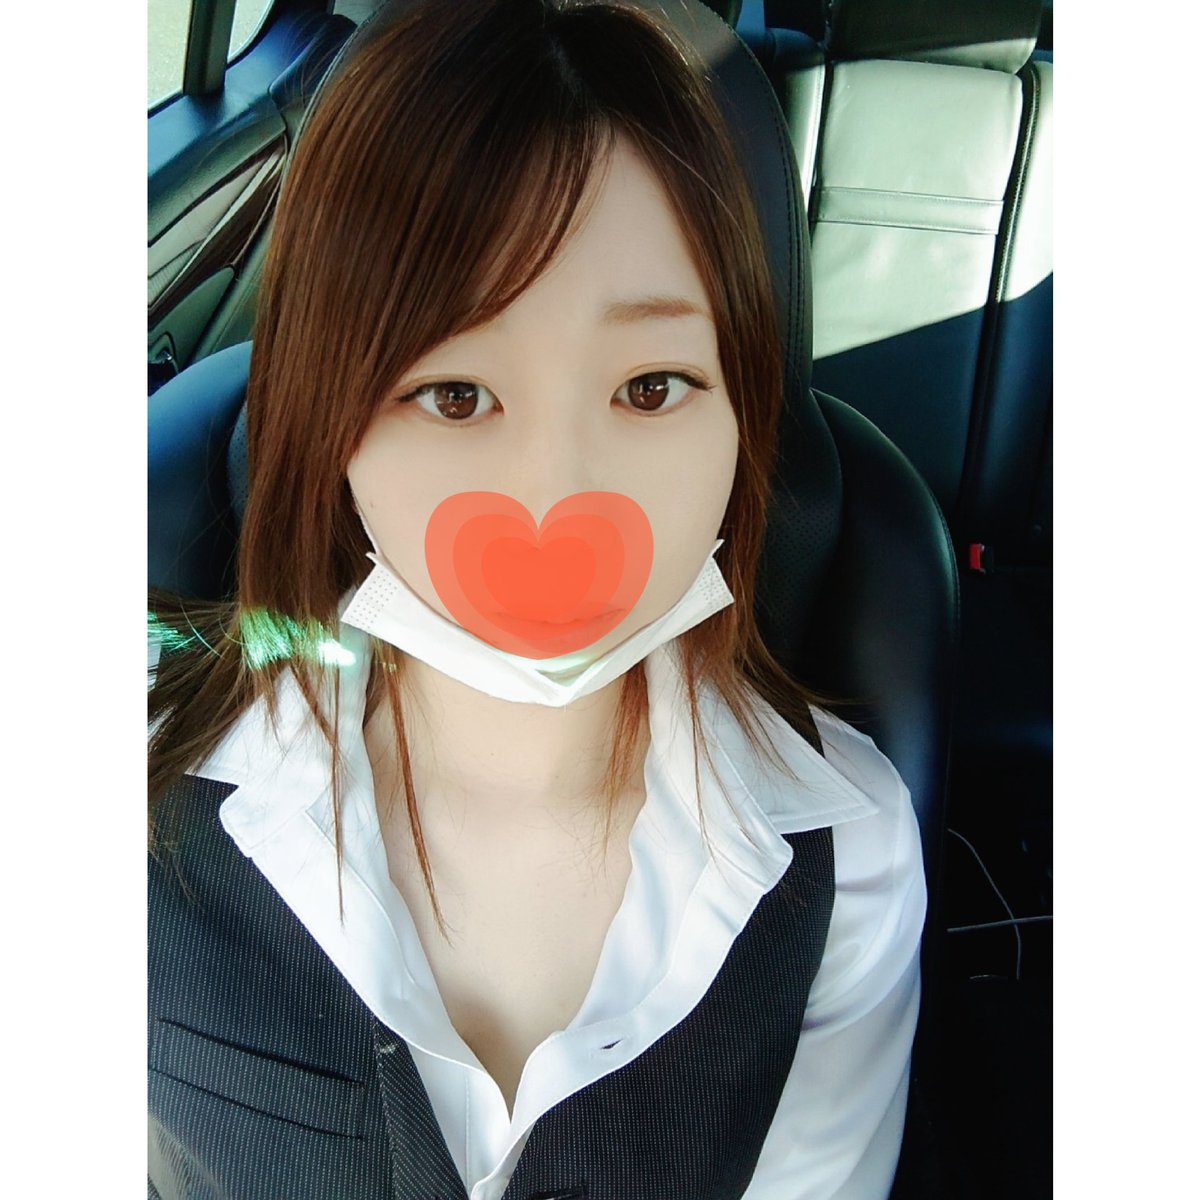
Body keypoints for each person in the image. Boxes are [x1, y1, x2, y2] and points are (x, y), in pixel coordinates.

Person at [148, 1, 925, 1197]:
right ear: (328, 424)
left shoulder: (852, 853)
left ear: (744, 422)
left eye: (652, 387)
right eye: (455, 395)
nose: (556, 495)